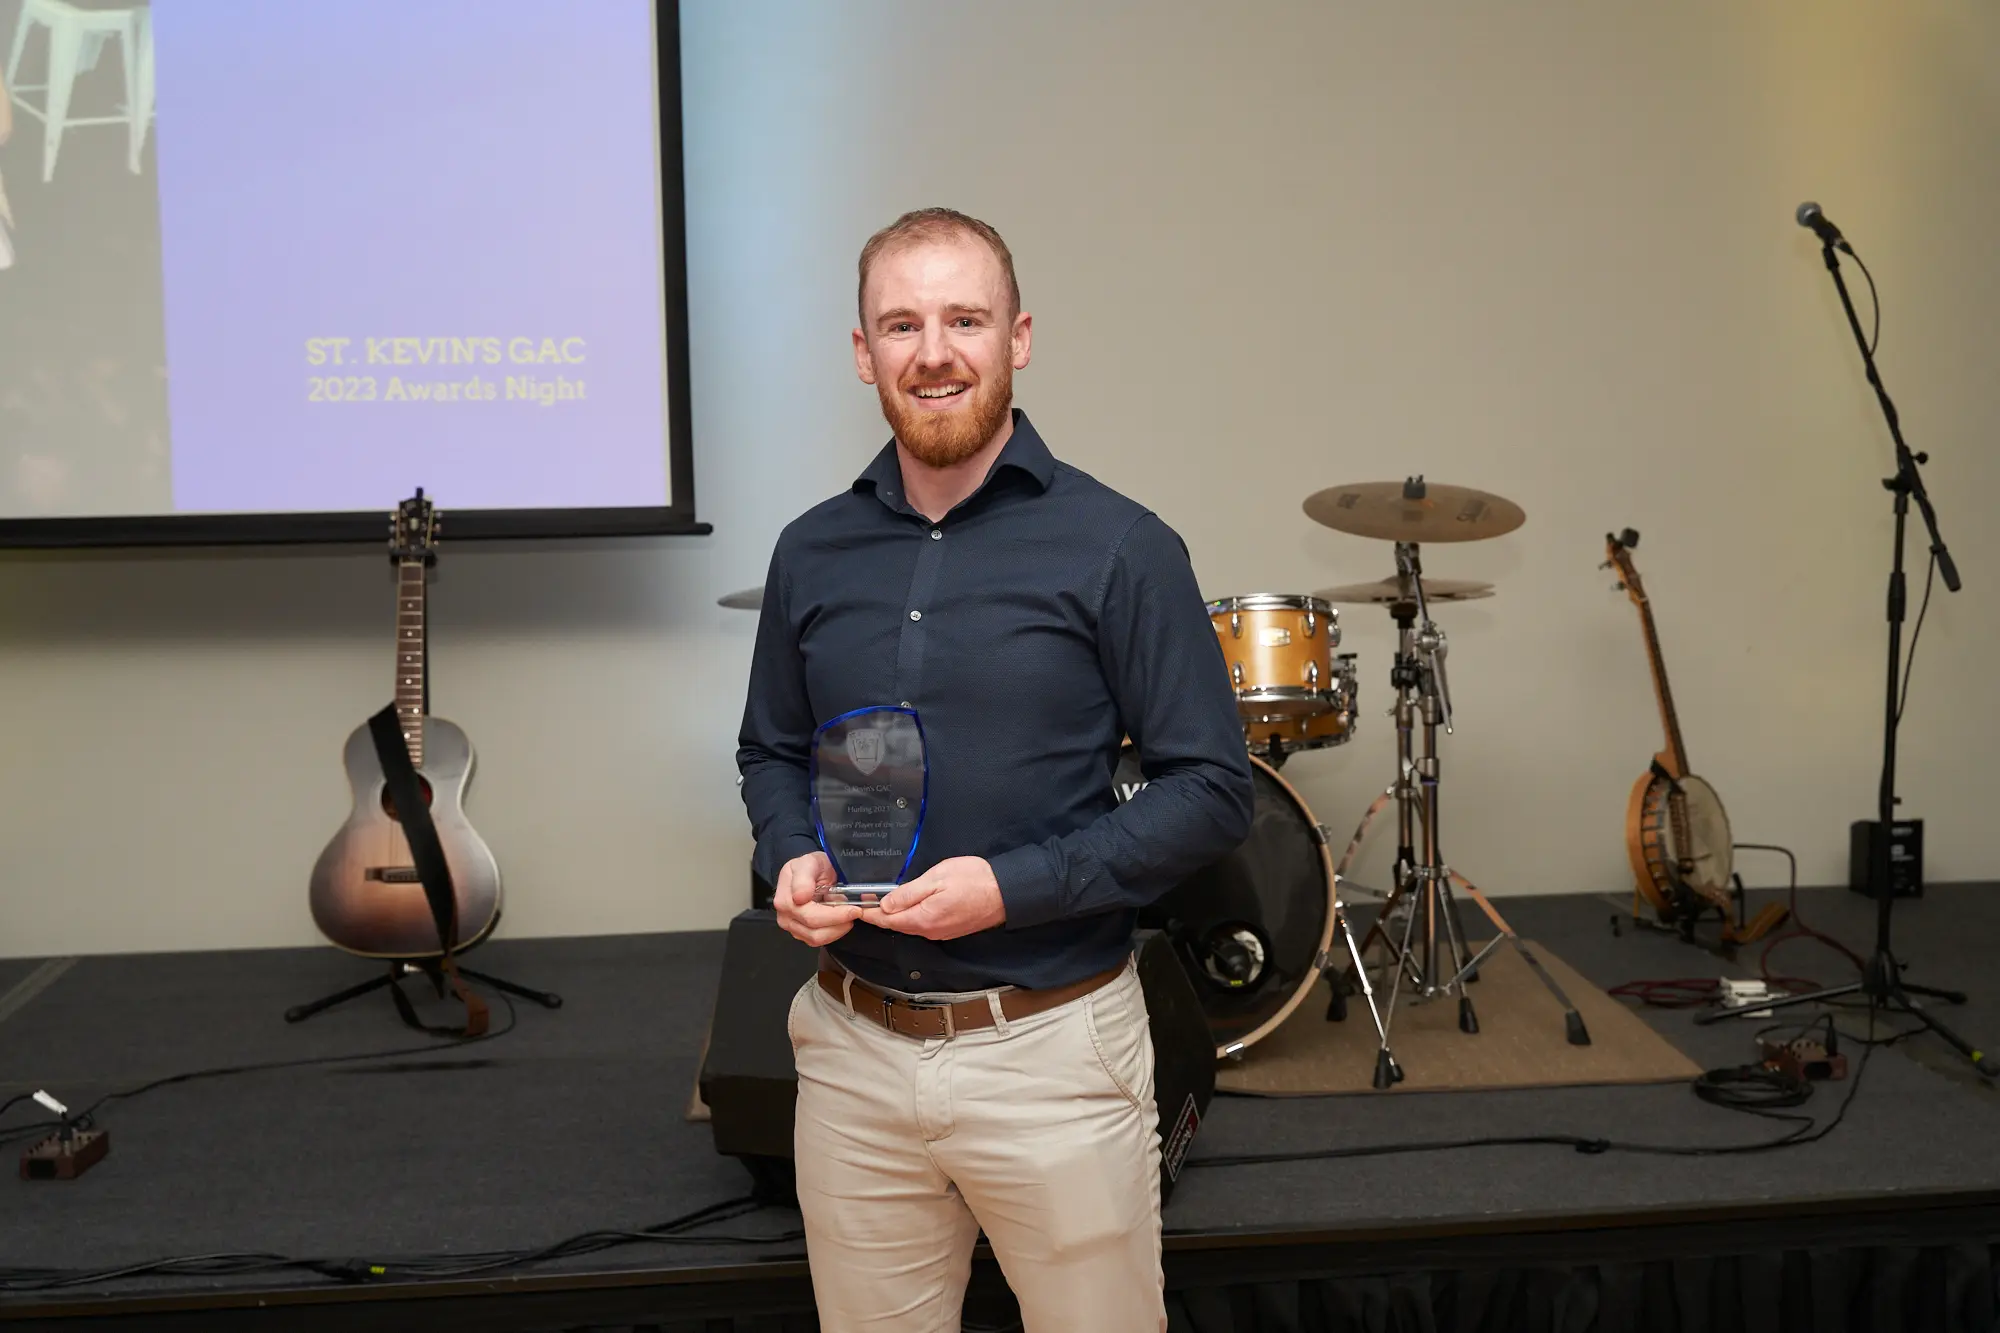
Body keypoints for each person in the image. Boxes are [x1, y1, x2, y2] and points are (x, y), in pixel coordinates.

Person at [736, 207, 1255, 1332]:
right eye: (901, 323)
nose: (933, 352)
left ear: (1017, 337)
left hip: (1052, 1054)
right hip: (850, 1052)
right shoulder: (809, 550)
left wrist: (1009, 887)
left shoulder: (1120, 547)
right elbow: (771, 747)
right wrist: (788, 856)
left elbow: (1212, 789)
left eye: (963, 319)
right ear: (861, 352)